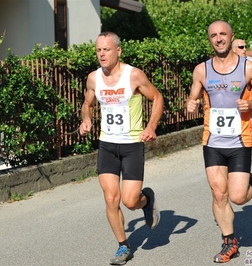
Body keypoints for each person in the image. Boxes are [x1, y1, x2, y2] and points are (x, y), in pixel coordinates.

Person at [187, 20, 252, 263]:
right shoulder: (201, 70)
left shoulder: (248, 68)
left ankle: (250, 184)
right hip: (213, 140)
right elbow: (193, 97)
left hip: (239, 140)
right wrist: (190, 103)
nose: (218, 38)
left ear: (231, 36)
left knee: (236, 197)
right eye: (213, 35)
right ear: (210, 40)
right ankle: (229, 242)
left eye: (223, 34)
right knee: (218, 193)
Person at [79, 31, 164, 265]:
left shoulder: (133, 75)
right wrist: (86, 119)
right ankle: (123, 246)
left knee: (129, 200)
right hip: (107, 145)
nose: (101, 54)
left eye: (106, 49)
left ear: (118, 51)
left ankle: (147, 199)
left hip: (132, 145)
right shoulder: (93, 78)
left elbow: (157, 97)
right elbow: (87, 103)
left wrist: (151, 126)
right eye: (98, 50)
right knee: (110, 198)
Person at [232, 39, 252, 161]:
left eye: (245, 47)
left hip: (250, 101)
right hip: (235, 103)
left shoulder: (251, 62)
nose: (244, 49)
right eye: (241, 47)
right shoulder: (228, 65)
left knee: (250, 125)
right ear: (233, 50)